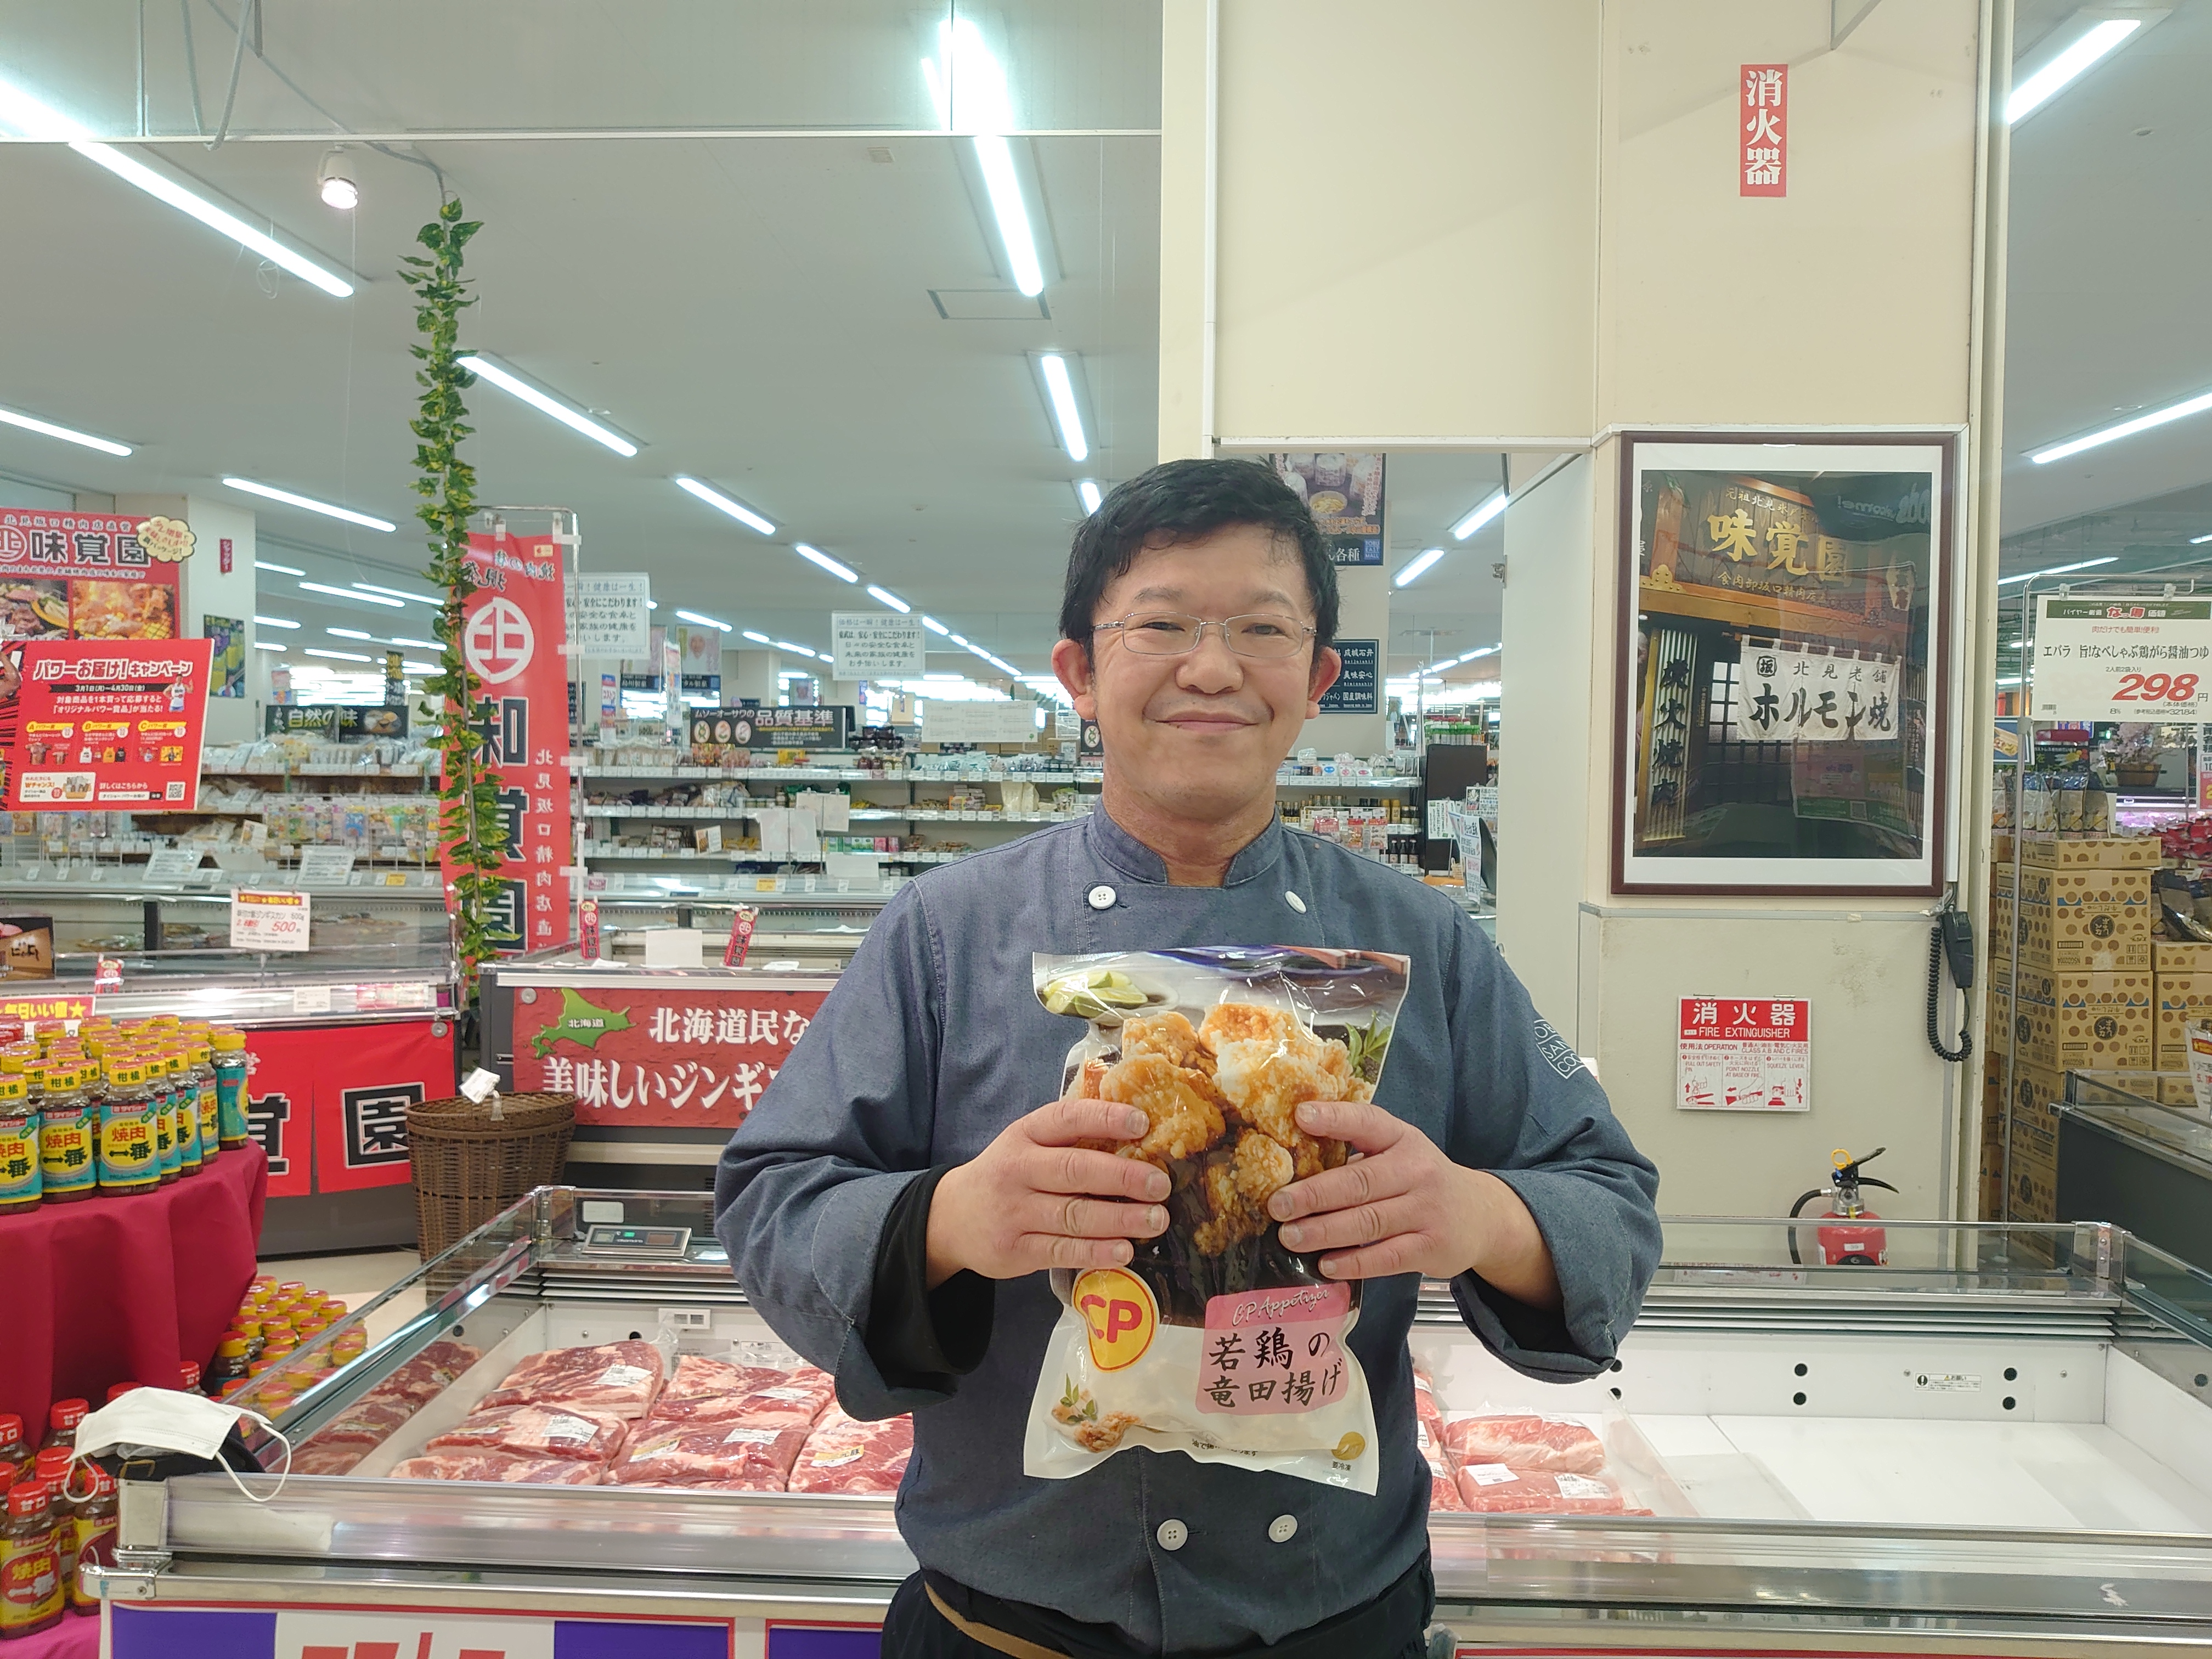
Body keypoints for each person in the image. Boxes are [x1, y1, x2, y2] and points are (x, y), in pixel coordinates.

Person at [716, 458, 1661, 1658]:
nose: (1212, 669)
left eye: (1261, 630)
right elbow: (772, 1199)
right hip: (1003, 1632)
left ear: (1316, 680)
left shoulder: (1425, 941)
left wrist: (1477, 1216)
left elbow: (1609, 1204)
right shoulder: (946, 934)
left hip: (1337, 1625)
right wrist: (949, 1221)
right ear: (1079, 672)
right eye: (1160, 625)